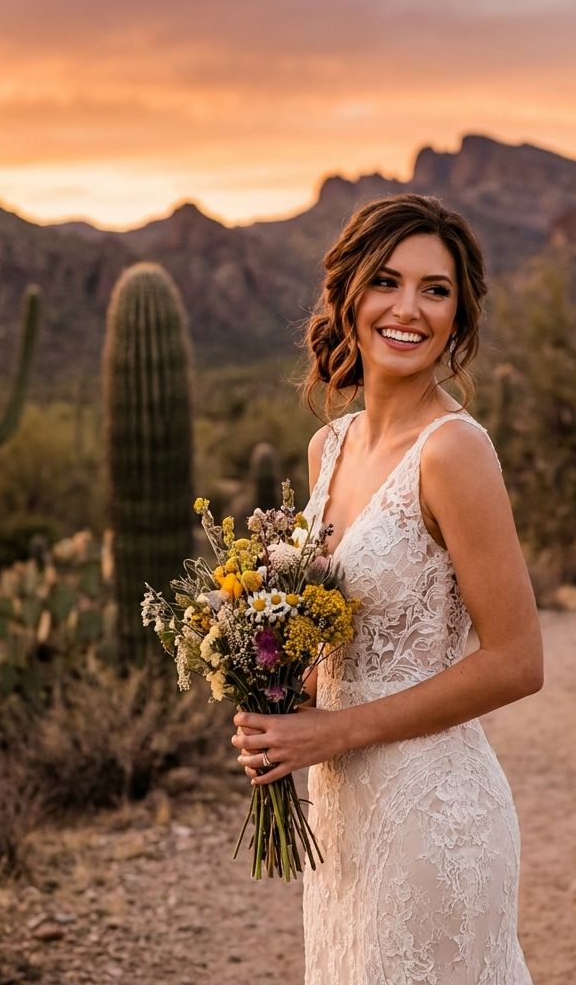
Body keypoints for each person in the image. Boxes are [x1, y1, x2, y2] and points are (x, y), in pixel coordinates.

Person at [230, 193, 543, 984]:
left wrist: (332, 734)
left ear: (458, 315)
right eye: (387, 282)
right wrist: (276, 701)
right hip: (340, 815)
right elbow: (342, 636)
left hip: (432, 814)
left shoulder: (454, 453)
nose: (409, 309)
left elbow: (516, 661)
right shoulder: (327, 448)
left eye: (435, 290)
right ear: (348, 297)